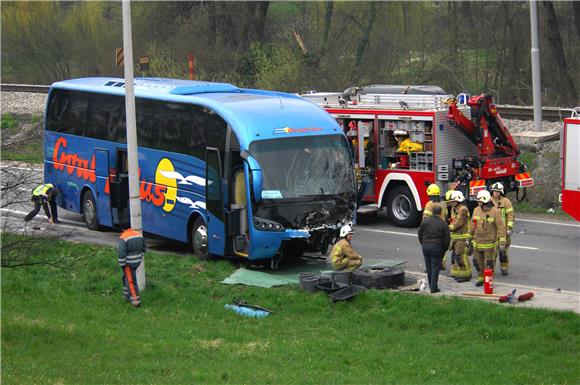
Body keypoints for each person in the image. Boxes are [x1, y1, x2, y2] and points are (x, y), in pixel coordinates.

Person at [469, 190, 506, 287]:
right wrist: (468, 237)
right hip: (477, 243)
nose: (478, 202)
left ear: (485, 200)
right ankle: (481, 279)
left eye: (479, 201)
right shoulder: (476, 210)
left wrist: (502, 241)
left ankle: (488, 283)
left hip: (489, 244)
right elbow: (473, 225)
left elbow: (501, 227)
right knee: (477, 262)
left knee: (488, 265)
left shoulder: (495, 212)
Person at [418, 205, 450, 293]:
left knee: (429, 268)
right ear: (440, 213)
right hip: (436, 248)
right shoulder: (443, 223)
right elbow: (447, 239)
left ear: (432, 212)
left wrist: (423, 243)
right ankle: (433, 288)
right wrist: (444, 249)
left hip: (426, 247)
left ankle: (431, 284)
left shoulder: (425, 222)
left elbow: (420, 234)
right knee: (435, 268)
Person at [118, 222, 146, 307]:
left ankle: (136, 302)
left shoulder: (123, 237)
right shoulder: (139, 235)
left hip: (128, 263)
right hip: (137, 261)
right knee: (125, 277)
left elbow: (121, 252)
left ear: (123, 229)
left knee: (131, 282)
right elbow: (144, 248)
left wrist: (122, 263)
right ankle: (127, 295)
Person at [490, 182, 515, 275]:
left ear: (501, 192)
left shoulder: (506, 202)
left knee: (503, 252)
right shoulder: (488, 201)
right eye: (494, 191)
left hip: (503, 231)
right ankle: (490, 270)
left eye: (498, 191)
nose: (496, 193)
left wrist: (509, 227)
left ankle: (504, 269)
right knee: (492, 252)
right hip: (492, 231)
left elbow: (510, 215)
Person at [447, 191, 472, 282]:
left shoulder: (463, 209)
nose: (452, 203)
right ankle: (457, 273)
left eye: (453, 201)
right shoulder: (454, 208)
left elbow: (459, 223)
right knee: (455, 256)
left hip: (462, 237)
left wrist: (449, 227)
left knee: (461, 256)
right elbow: (453, 220)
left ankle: (466, 275)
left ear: (458, 200)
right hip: (455, 237)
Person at [423, 183, 448, 269]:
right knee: (441, 247)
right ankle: (441, 265)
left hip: (432, 230)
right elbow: (447, 215)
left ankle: (431, 267)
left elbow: (425, 219)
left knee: (431, 248)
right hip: (442, 228)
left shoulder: (429, 204)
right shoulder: (443, 204)